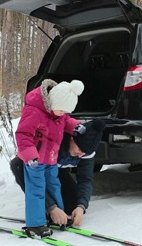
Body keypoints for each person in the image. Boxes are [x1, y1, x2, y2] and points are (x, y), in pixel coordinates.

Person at [15, 79, 85, 237]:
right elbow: (23, 134)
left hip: (51, 159)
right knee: (37, 189)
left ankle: (56, 217)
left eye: (65, 111)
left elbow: (66, 121)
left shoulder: (59, 113)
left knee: (54, 185)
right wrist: (30, 155)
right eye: (61, 110)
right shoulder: (34, 111)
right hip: (35, 160)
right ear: (53, 102)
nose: (63, 114)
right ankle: (36, 224)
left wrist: (75, 126)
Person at [10, 118, 105, 227]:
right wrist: (51, 207)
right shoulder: (53, 141)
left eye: (85, 153)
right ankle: (42, 208)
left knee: (72, 205)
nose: (80, 155)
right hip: (34, 169)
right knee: (18, 166)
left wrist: (81, 206)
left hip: (56, 171)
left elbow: (86, 179)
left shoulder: (85, 152)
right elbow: (34, 179)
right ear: (72, 139)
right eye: (79, 150)